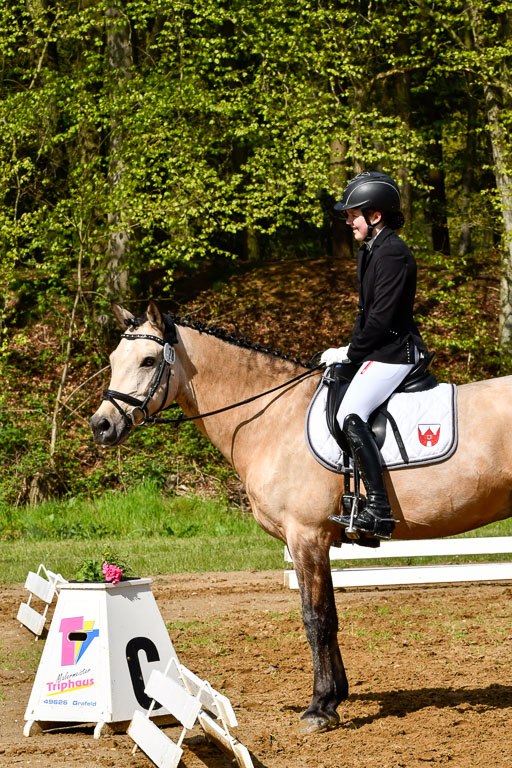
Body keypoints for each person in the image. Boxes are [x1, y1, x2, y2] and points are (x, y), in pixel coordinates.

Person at [321, 171, 427, 539]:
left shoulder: (393, 253)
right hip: (380, 349)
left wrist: (351, 352)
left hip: (397, 351)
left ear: (375, 216)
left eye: (353, 214)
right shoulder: (371, 251)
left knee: (351, 413)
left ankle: (379, 511)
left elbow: (381, 318)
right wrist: (348, 354)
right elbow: (365, 314)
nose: (348, 220)